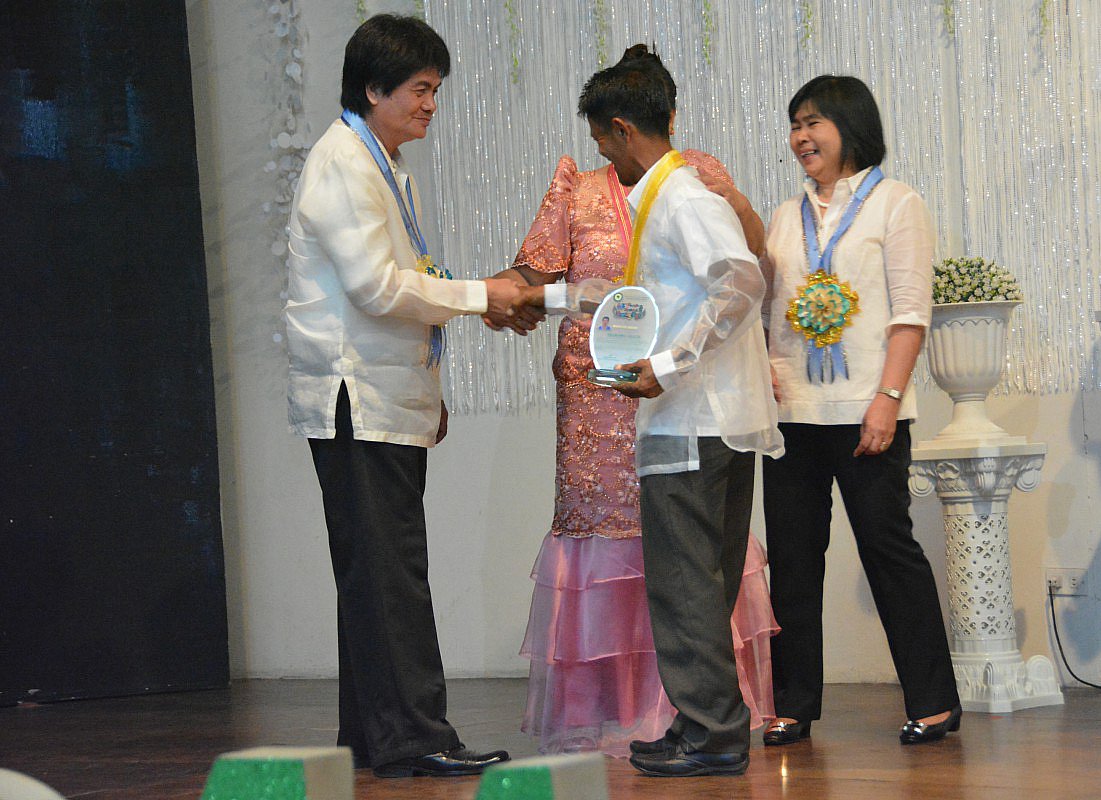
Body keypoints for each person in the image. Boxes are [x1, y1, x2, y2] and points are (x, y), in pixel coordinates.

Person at [490, 47, 778, 759]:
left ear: (622, 129)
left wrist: (669, 365)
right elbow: (626, 299)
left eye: (602, 141)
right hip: (707, 421)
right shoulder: (663, 197)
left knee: (684, 586)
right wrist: (536, 297)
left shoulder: (680, 196)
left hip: (693, 421)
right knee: (697, 584)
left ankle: (711, 734)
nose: (602, 156)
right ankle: (703, 722)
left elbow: (742, 281)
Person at [284, 14, 525, 778]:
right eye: (420, 89)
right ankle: (416, 736)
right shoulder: (344, 164)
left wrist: (427, 382)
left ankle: (372, 734)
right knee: (391, 574)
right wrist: (481, 294)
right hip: (355, 396)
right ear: (373, 89)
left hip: (383, 392)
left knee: (375, 572)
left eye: (434, 90)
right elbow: (378, 289)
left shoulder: (382, 163)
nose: (430, 105)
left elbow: (398, 289)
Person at [759, 74, 961, 747]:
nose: (801, 137)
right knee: (792, 562)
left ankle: (934, 701)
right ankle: (793, 704)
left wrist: (888, 399)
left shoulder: (896, 204)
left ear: (851, 126)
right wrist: (764, 364)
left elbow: (910, 315)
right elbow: (766, 310)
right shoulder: (784, 216)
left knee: (888, 551)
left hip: (869, 412)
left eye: (813, 122)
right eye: (795, 125)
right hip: (792, 414)